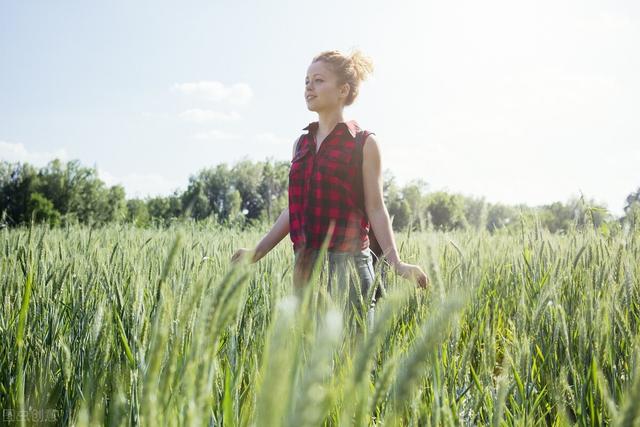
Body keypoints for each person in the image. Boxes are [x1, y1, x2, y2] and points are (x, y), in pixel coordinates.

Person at [232, 49, 429, 316]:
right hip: (305, 267)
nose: (308, 88)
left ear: (343, 90)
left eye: (318, 80)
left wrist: (397, 263)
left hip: (348, 268)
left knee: (351, 356)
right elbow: (295, 208)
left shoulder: (364, 143)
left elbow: (375, 208)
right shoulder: (300, 145)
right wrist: (257, 251)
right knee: (309, 356)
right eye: (306, 81)